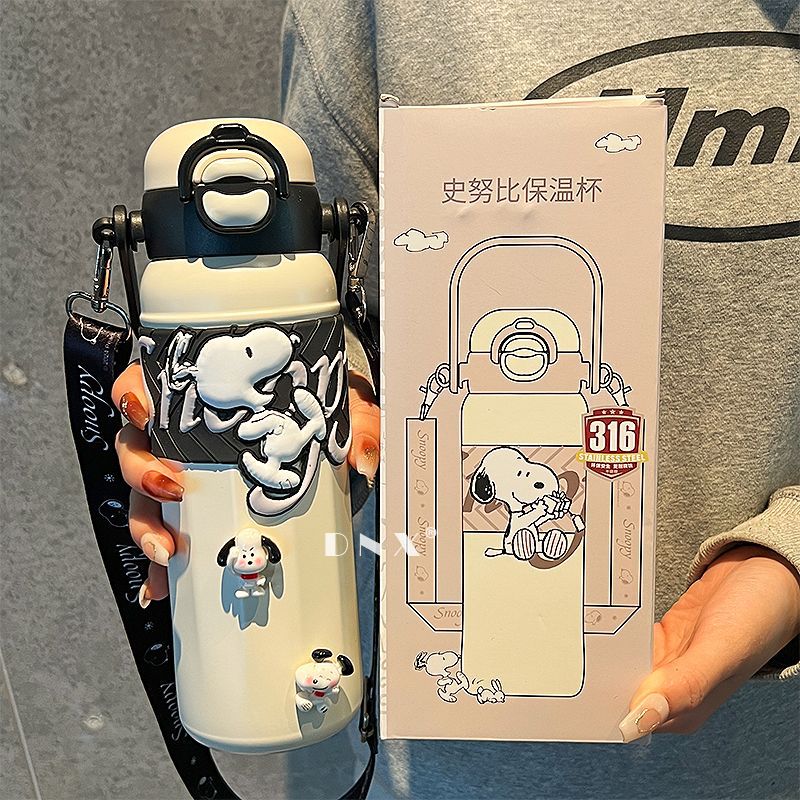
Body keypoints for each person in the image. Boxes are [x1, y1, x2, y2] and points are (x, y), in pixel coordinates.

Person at [113, 1, 799, 796]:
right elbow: (348, 294)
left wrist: (787, 553)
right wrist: (312, 397)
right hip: (440, 750)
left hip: (768, 748)